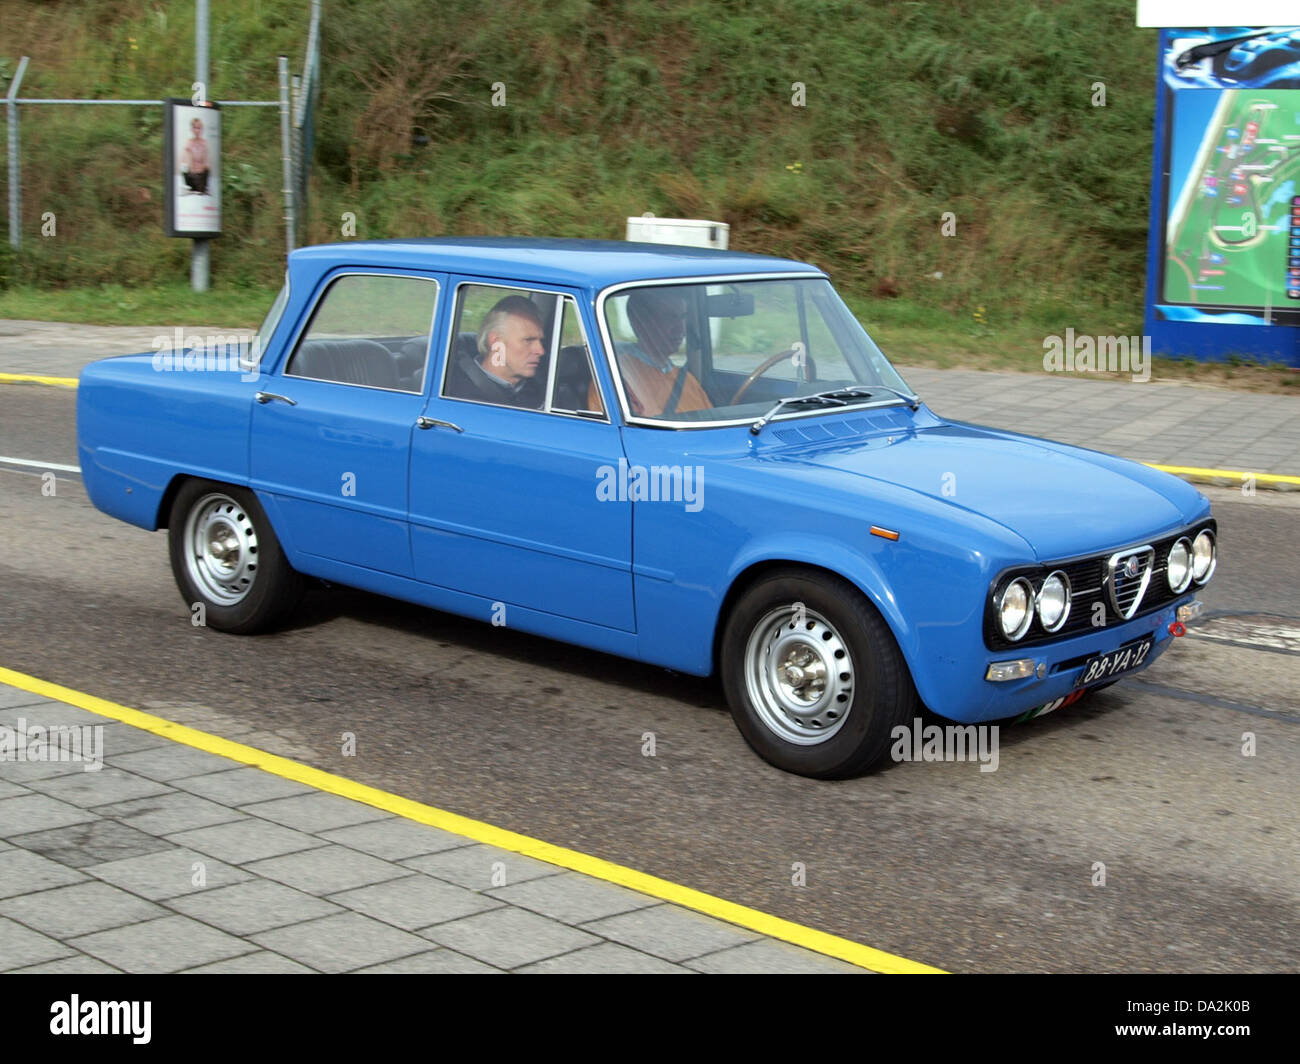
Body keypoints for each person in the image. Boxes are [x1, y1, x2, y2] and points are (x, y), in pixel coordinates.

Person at [604, 287, 712, 417]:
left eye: (682, 317)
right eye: (669, 318)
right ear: (640, 323)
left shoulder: (688, 380)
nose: (681, 328)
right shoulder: (616, 378)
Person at [445, 295, 546, 408]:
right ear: (496, 342)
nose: (540, 351)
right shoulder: (454, 390)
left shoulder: (541, 389)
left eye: (540, 341)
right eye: (528, 340)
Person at [179, 117, 211, 195]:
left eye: (199, 128)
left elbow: (206, 161)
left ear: (202, 129)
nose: (197, 130)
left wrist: (202, 170)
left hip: (201, 175)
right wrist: (191, 170)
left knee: (207, 169)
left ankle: (201, 187)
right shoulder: (189, 142)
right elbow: (185, 159)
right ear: (192, 129)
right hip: (192, 174)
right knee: (183, 167)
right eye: (195, 128)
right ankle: (191, 187)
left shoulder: (204, 143)